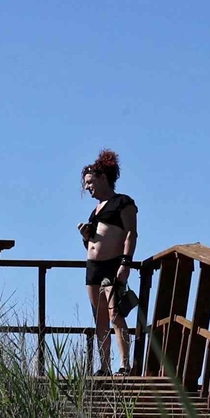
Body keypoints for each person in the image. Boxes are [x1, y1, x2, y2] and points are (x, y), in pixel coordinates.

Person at [79, 149, 139, 375]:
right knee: (99, 318)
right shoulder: (95, 211)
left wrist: (126, 263)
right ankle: (104, 367)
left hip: (112, 265)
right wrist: (87, 237)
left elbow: (131, 234)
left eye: (90, 182)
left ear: (103, 178)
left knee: (115, 315)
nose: (87, 187)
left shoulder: (123, 202)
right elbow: (94, 243)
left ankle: (124, 365)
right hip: (93, 269)